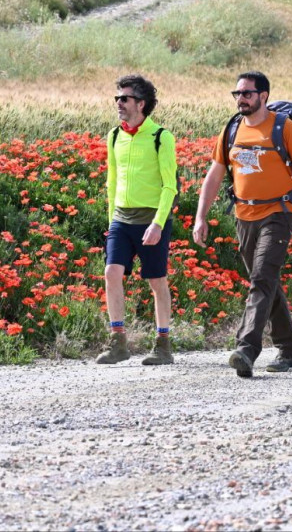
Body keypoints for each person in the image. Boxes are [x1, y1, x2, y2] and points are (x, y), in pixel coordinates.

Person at [193, 71, 292, 378]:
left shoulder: (284, 128)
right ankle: (290, 350)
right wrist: (201, 216)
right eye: (237, 94)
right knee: (266, 281)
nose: (241, 99)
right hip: (243, 215)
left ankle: (246, 349)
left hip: (279, 212)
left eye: (247, 94)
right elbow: (214, 175)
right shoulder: (232, 128)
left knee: (262, 278)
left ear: (263, 96)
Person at [97, 74, 178, 366]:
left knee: (157, 281)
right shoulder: (115, 135)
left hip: (152, 219)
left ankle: (163, 345)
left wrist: (158, 223)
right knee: (111, 273)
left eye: (125, 98)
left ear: (140, 104)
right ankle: (118, 343)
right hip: (120, 218)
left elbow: (170, 186)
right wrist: (111, 223)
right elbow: (111, 180)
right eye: (117, 98)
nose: (118, 103)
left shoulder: (161, 137)